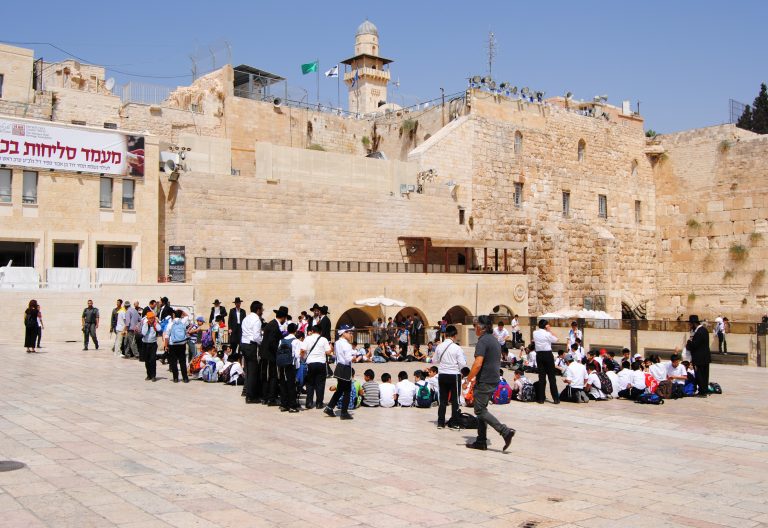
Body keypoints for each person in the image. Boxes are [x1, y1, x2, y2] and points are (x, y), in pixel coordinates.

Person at [465, 315, 516, 451]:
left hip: (485, 380)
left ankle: (505, 432)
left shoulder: (482, 342)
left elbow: (478, 364)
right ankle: (481, 441)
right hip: (493, 379)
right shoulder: (494, 340)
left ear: (481, 328)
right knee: (482, 409)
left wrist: (468, 379)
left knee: (480, 410)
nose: (474, 328)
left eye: (475, 326)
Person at [433, 325, 466, 429]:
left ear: (445, 334)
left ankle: (440, 422)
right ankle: (454, 423)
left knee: (442, 400)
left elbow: (435, 360)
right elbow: (462, 364)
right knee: (455, 400)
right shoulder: (457, 348)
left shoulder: (439, 346)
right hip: (454, 375)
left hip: (442, 374)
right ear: (455, 335)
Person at [324, 324, 356, 419]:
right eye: (349, 332)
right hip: (345, 368)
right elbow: (347, 358)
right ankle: (344, 413)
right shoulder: (347, 344)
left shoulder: (337, 342)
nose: (351, 334)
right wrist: (355, 358)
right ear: (343, 333)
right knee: (347, 391)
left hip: (339, 367)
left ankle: (329, 407)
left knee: (340, 389)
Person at [262, 306, 289, 406]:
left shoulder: (272, 324)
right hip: (270, 355)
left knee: (268, 376)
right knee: (272, 376)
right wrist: (278, 351)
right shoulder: (274, 326)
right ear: (283, 317)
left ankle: (266, 397)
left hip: (267, 354)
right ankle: (270, 398)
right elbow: (272, 342)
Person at [301, 324, 332, 409]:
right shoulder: (324, 339)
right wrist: (331, 347)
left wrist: (303, 359)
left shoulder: (307, 338)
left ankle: (309, 402)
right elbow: (328, 352)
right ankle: (319, 403)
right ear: (320, 332)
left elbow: (302, 350)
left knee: (310, 384)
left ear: (312, 331)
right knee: (320, 384)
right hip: (321, 363)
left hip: (310, 363)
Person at [241, 301, 264, 404]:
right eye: (262, 309)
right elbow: (256, 337)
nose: (262, 311)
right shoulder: (256, 320)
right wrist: (262, 342)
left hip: (244, 344)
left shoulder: (246, 318)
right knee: (253, 371)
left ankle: (247, 392)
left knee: (248, 370)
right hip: (251, 346)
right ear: (258, 309)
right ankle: (251, 396)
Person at [533, 319, 560, 404]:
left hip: (539, 355)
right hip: (548, 355)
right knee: (551, 377)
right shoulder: (547, 334)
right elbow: (556, 339)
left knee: (541, 377)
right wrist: (550, 331)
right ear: (546, 326)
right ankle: (556, 398)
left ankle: (541, 399)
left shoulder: (535, 333)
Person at [686, 314, 711, 397]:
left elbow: (694, 345)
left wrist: (688, 343)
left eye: (690, 324)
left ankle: (702, 392)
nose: (690, 326)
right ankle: (704, 390)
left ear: (694, 323)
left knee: (700, 375)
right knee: (704, 374)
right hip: (704, 357)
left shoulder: (699, 332)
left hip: (700, 358)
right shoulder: (703, 330)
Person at [278, 322, 300, 413]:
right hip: (291, 365)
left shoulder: (281, 340)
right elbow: (297, 355)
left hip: (282, 365)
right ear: (295, 331)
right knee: (291, 385)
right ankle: (292, 406)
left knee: (283, 384)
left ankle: (283, 404)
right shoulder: (296, 341)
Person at [165, 309, 190, 383]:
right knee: (182, 361)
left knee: (174, 362)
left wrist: (166, 346)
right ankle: (185, 378)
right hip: (182, 344)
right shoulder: (183, 322)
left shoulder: (171, 323)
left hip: (173, 344)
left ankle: (175, 378)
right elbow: (187, 316)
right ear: (181, 315)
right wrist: (181, 311)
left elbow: (167, 336)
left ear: (174, 315)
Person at [141, 311, 161, 381]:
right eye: (150, 318)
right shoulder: (145, 324)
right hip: (145, 344)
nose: (151, 319)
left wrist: (156, 323)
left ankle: (153, 376)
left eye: (152, 318)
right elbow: (143, 333)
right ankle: (148, 375)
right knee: (147, 360)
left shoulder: (155, 324)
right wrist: (147, 325)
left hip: (153, 344)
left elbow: (159, 329)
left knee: (152, 360)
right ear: (148, 318)